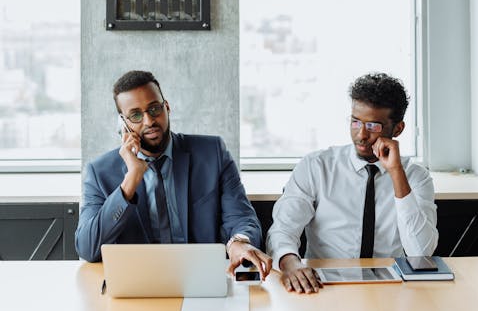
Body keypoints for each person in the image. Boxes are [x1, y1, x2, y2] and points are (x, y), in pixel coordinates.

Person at [76, 70, 272, 280]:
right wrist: (130, 182)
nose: (149, 120)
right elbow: (87, 248)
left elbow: (242, 217)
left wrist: (238, 243)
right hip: (139, 283)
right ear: (123, 123)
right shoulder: (100, 172)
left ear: (167, 107)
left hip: (201, 278)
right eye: (136, 115)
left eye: (154, 109)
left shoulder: (212, 153)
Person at [266, 72, 438, 293]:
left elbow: (420, 253)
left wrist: (396, 173)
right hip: (323, 286)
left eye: (373, 126)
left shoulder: (416, 177)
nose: (361, 135)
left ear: (397, 129)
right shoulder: (316, 167)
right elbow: (282, 230)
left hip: (391, 289)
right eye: (356, 122)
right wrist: (291, 263)